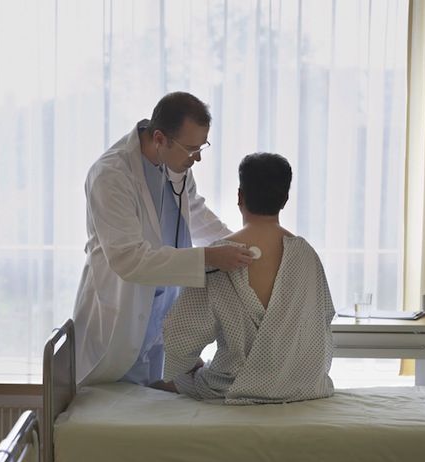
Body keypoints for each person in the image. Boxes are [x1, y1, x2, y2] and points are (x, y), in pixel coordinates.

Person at [73, 92, 255, 386]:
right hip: (122, 311)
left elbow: (194, 211)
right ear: (160, 138)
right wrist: (210, 257)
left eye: (201, 147)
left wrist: (237, 244)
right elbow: (128, 259)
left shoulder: (175, 165)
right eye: (191, 148)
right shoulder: (111, 175)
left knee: (154, 403)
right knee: (118, 407)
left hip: (163, 308)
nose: (196, 157)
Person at [155, 152, 335, 404]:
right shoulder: (306, 254)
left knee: (175, 376)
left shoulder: (221, 255)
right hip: (301, 385)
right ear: (284, 199)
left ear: (240, 196)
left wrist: (189, 366)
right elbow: (322, 321)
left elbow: (180, 338)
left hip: (233, 385)